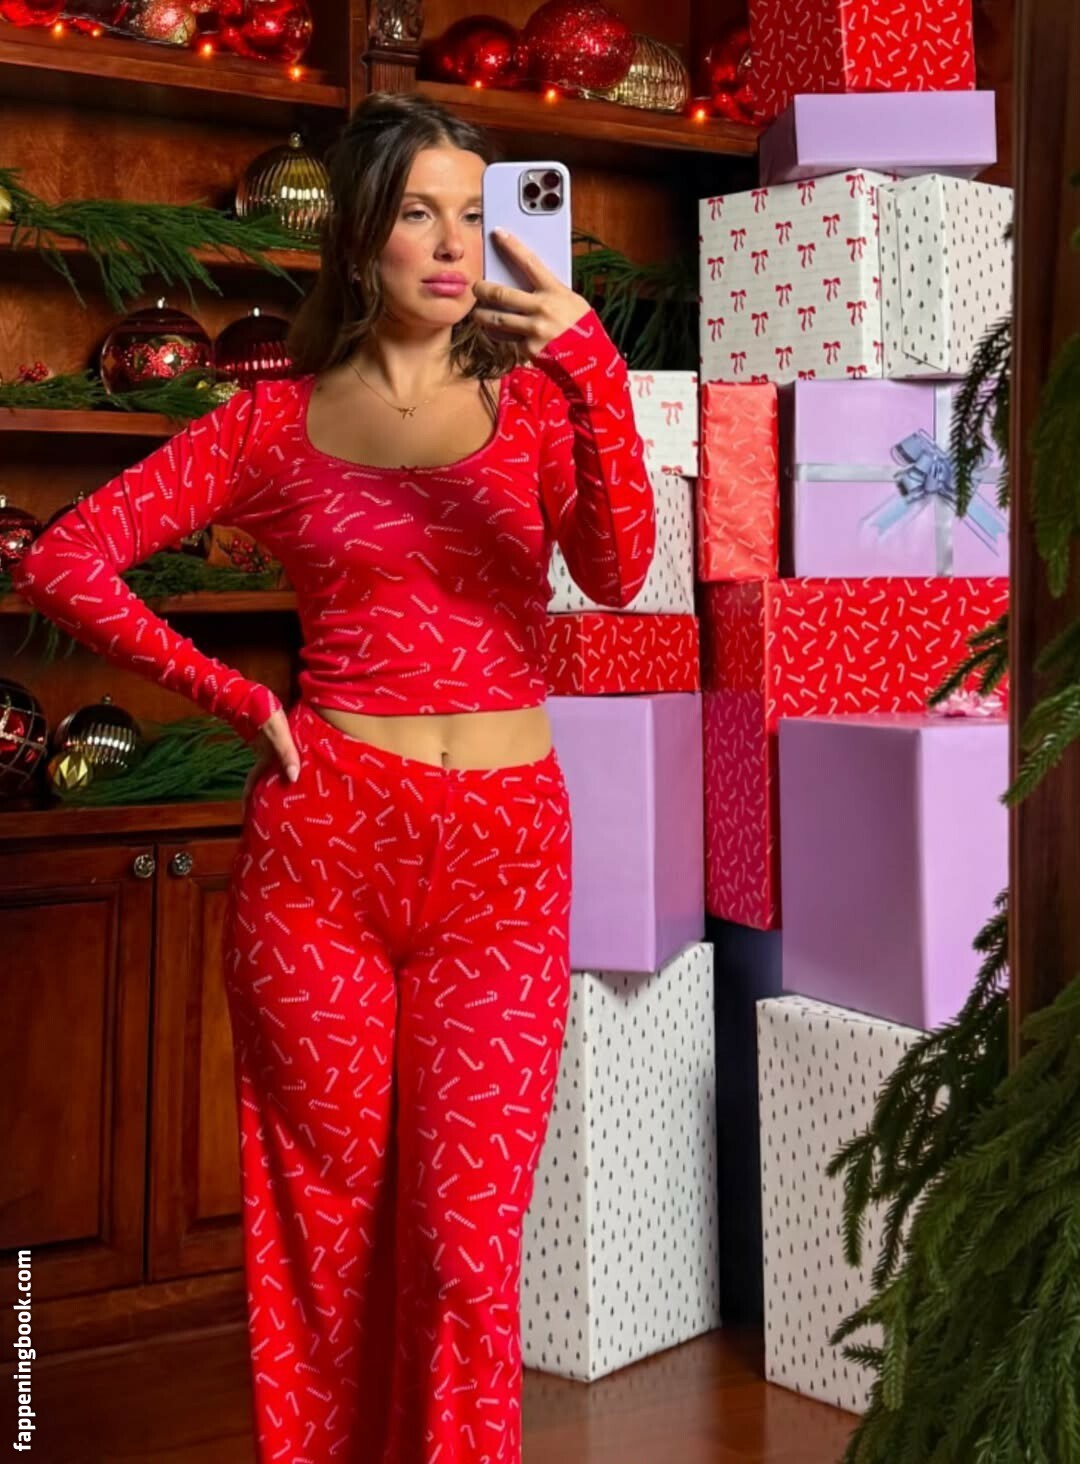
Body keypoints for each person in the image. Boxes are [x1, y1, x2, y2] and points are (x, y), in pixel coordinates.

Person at [11, 91, 655, 1464]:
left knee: (469, 1252)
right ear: (360, 238)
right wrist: (240, 697)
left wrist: (592, 364)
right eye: (419, 211)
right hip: (328, 853)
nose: (453, 242)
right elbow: (64, 558)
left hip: (504, 860)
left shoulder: (543, 402)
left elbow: (617, 570)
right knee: (327, 1229)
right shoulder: (270, 424)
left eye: (474, 213)